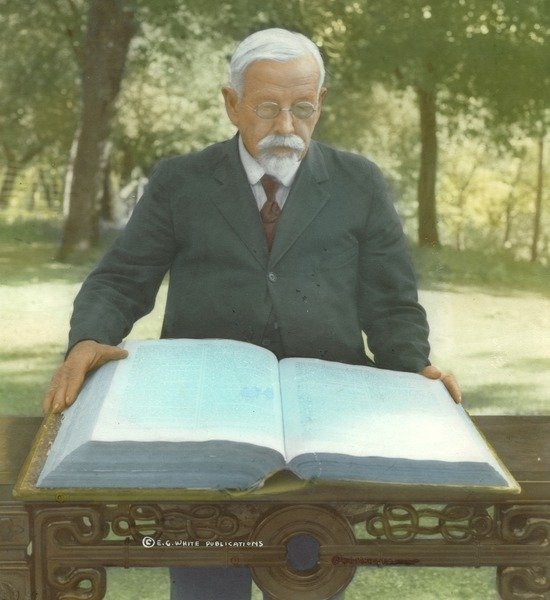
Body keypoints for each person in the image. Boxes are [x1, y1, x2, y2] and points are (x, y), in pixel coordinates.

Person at [43, 27, 461, 600]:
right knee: (205, 584)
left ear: (321, 104)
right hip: (201, 425)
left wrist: (414, 370)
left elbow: (390, 303)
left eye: (303, 109)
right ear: (231, 104)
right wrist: (88, 338)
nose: (286, 127)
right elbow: (122, 279)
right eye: (267, 108)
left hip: (323, 430)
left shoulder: (358, 182)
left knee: (310, 578)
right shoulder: (180, 181)